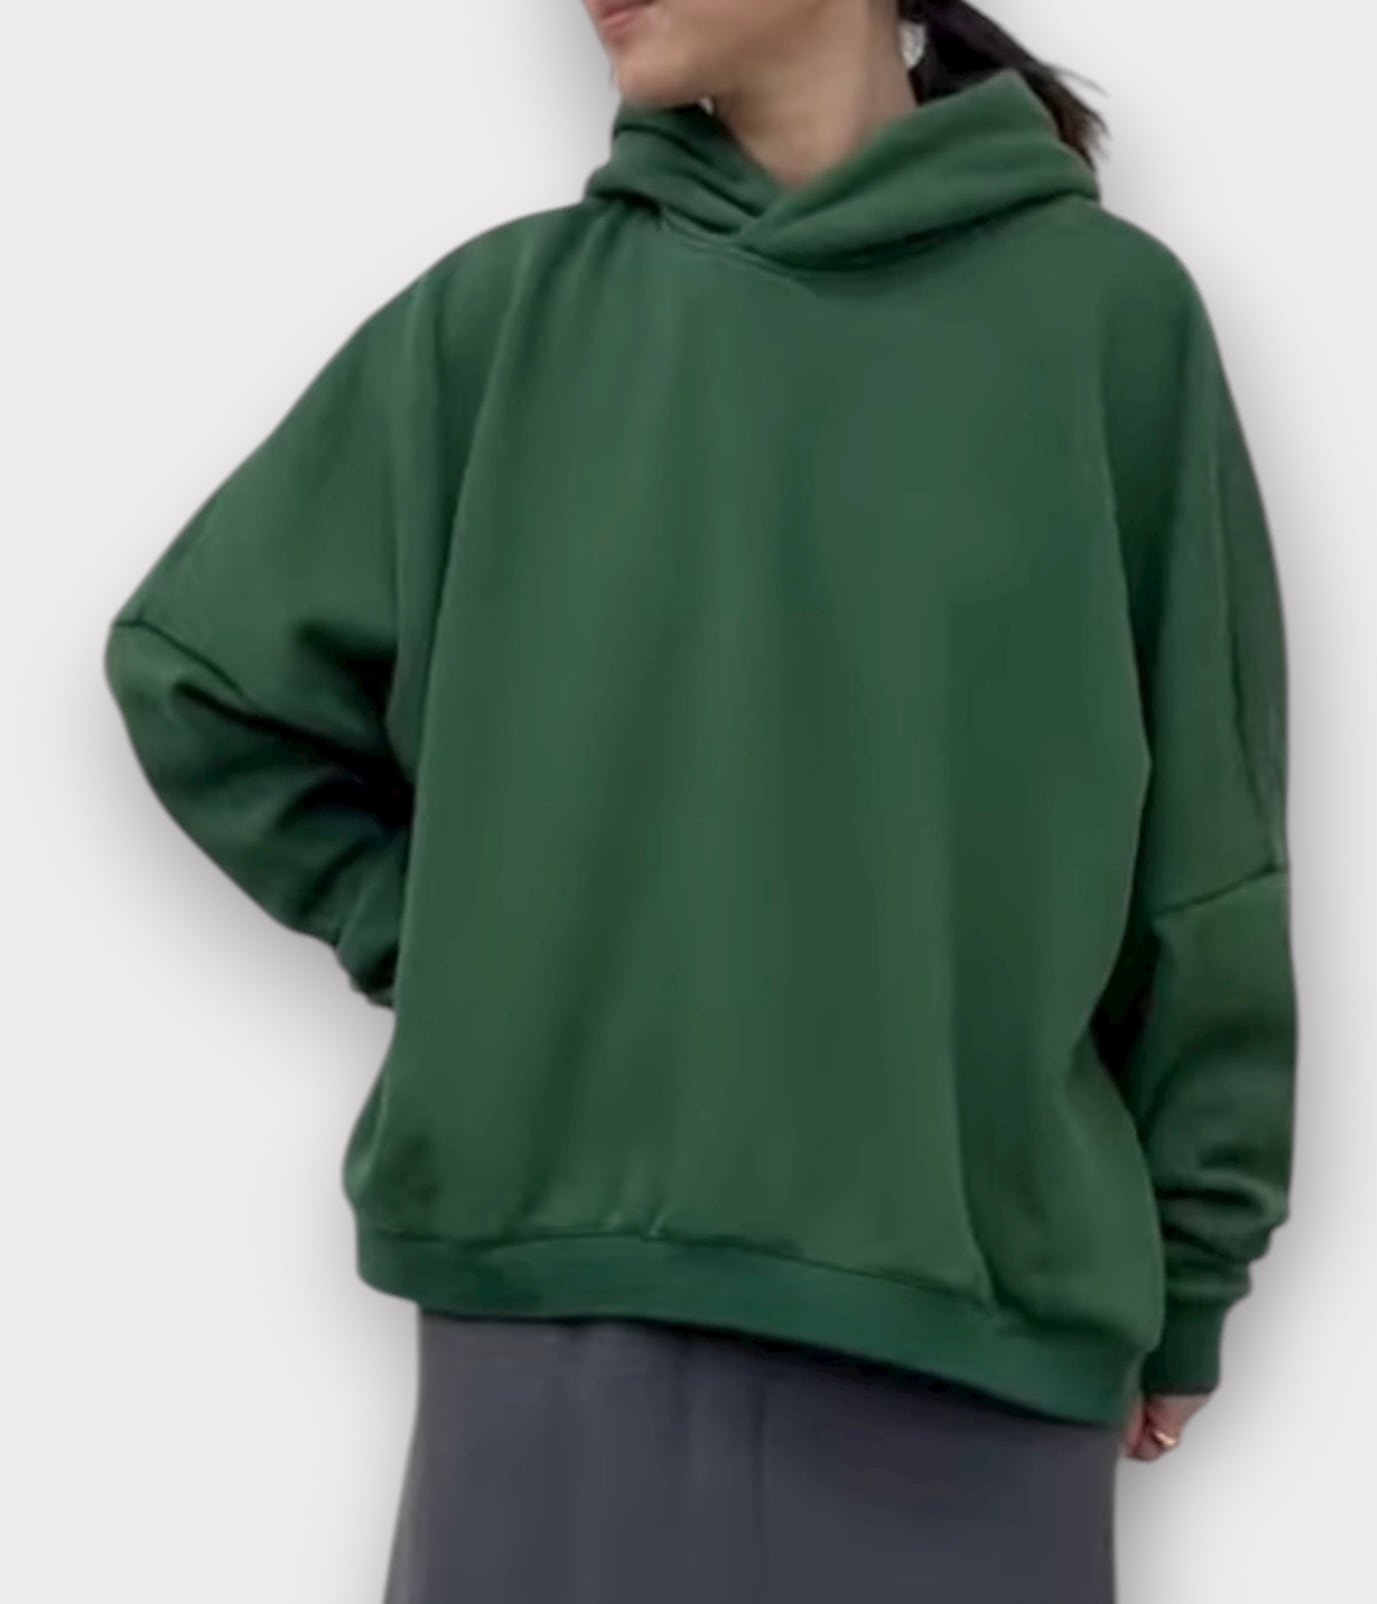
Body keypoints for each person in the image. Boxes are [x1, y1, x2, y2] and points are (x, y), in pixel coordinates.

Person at [101, 1, 1299, 1599]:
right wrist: (454, 947)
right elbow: (200, 679)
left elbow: (1206, 856)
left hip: (971, 1364)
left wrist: (1200, 1260)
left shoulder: (1108, 329)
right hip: (555, 1343)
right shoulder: (499, 326)